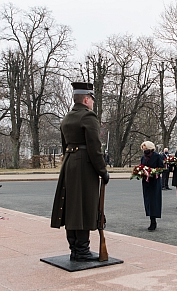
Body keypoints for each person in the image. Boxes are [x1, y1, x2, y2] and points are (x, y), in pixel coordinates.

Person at [51, 82, 110, 262]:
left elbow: (64, 145)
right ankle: (82, 250)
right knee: (84, 206)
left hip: (69, 163)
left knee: (71, 207)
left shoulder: (67, 118)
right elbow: (94, 148)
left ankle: (75, 248)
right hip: (84, 165)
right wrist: (102, 171)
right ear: (86, 99)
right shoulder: (88, 117)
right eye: (91, 99)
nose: (92, 102)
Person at [140, 141, 164, 231]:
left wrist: (153, 172)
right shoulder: (143, 157)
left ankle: (153, 221)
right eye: (143, 148)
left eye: (145, 148)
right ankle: (150, 217)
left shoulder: (157, 156)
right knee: (148, 200)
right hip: (146, 182)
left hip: (154, 181)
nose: (144, 150)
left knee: (154, 201)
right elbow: (141, 167)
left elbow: (161, 168)